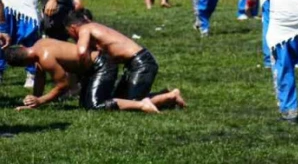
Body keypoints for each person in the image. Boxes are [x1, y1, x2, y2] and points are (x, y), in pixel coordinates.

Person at [8, 29, 184, 113]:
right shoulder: (39, 45)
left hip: (102, 65)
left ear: (25, 63)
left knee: (95, 106)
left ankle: (142, 105)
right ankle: (168, 96)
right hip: (93, 68)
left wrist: (40, 100)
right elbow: (39, 78)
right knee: (87, 106)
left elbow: (63, 85)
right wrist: (32, 102)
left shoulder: (45, 58)